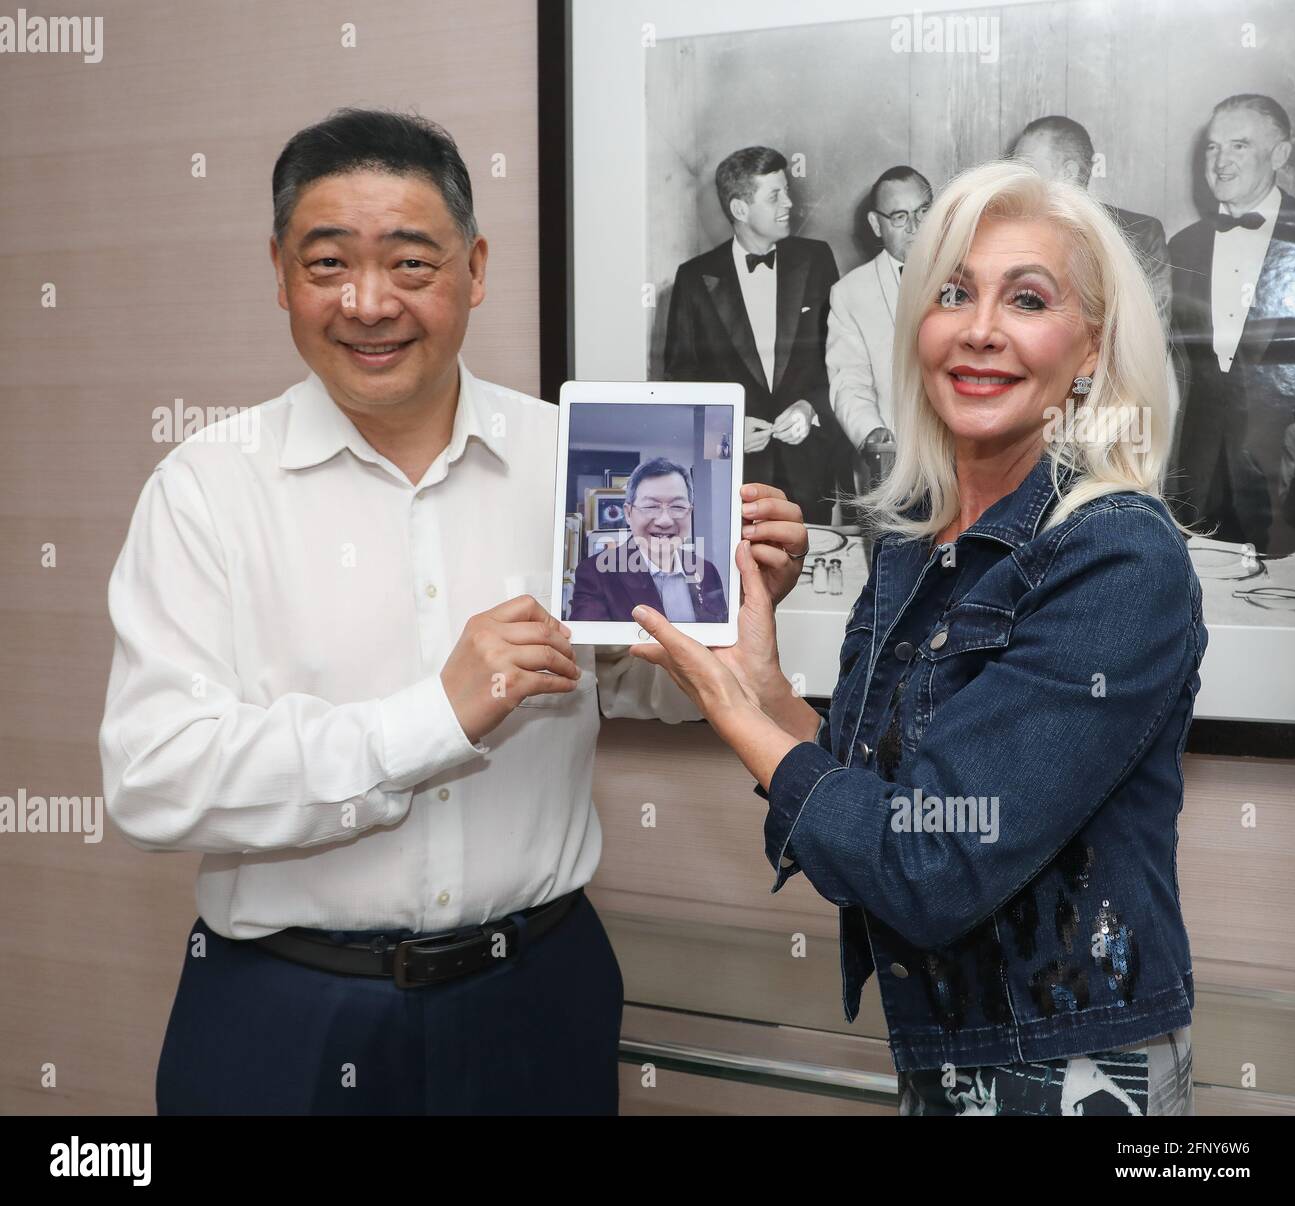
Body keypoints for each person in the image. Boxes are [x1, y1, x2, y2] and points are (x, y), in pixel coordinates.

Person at [97, 108, 807, 1116]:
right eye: (328, 263)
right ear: (280, 273)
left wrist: (727, 618)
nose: (368, 301)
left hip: (536, 997)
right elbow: (153, 778)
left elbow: (640, 685)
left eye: (411, 265)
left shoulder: (573, 458)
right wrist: (435, 716)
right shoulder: (207, 488)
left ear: (474, 270)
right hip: (286, 1015)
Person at [628, 160, 1207, 1116]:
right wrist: (763, 685)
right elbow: (873, 823)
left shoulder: (1117, 555)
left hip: (1073, 1069)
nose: (979, 329)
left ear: (1091, 350)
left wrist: (740, 720)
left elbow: (934, 861)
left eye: (1027, 299)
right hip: (936, 1057)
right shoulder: (911, 543)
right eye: (952, 293)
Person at [663, 146, 848, 524]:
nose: (790, 204)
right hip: (733, 474)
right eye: (775, 195)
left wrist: (810, 407)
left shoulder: (816, 259)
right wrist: (725, 429)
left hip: (810, 470)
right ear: (740, 209)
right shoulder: (694, 278)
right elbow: (681, 379)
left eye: (787, 191)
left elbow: (841, 355)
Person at [1167, 93, 1295, 555]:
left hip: (1284, 488)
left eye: (1239, 145)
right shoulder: (1181, 248)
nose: (1220, 161)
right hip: (1194, 483)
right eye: (1212, 146)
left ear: (1280, 154)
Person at [826, 166, 933, 492]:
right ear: (876, 224)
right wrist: (871, 432)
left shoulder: (971, 272)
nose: (915, 227)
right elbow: (849, 381)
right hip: (894, 468)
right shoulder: (850, 293)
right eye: (900, 217)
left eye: (923, 211)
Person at [1012, 116, 1172, 327]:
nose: (1014, 177)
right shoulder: (1009, 234)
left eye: (1026, 166)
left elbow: (1151, 333)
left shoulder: (1141, 236)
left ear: (1068, 173)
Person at [568, 457, 727, 623]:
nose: (664, 521)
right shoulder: (596, 574)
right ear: (628, 514)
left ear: (689, 513)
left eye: (678, 507)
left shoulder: (707, 572)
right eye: (651, 507)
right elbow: (591, 646)